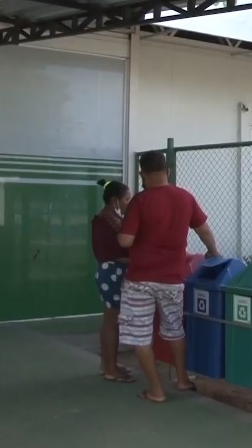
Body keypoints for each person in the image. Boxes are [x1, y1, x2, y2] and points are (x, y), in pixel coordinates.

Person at [118, 151, 220, 403]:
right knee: (175, 329)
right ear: (168, 171)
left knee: (140, 335)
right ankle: (183, 379)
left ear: (142, 174)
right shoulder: (185, 197)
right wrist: (213, 251)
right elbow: (204, 230)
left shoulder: (140, 201)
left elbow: (125, 240)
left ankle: (156, 390)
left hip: (140, 281)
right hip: (173, 279)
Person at [91, 179, 135, 383]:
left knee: (109, 321)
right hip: (113, 273)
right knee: (112, 322)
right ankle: (111, 369)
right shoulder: (112, 220)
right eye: (127, 199)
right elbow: (122, 248)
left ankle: (107, 364)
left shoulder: (105, 217)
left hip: (107, 273)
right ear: (115, 200)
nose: (130, 203)